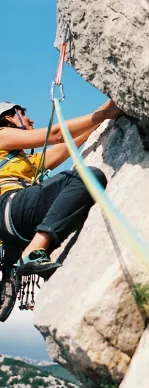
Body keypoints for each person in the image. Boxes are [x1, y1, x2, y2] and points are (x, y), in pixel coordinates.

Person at [0, 100, 123, 278]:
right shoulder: (2, 134)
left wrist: (111, 103)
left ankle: (35, 249)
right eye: (24, 114)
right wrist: (108, 114)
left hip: (13, 227)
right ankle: (34, 250)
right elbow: (57, 134)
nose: (31, 120)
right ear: (9, 117)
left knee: (87, 178)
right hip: (9, 207)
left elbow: (69, 143)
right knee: (85, 176)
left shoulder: (25, 162)